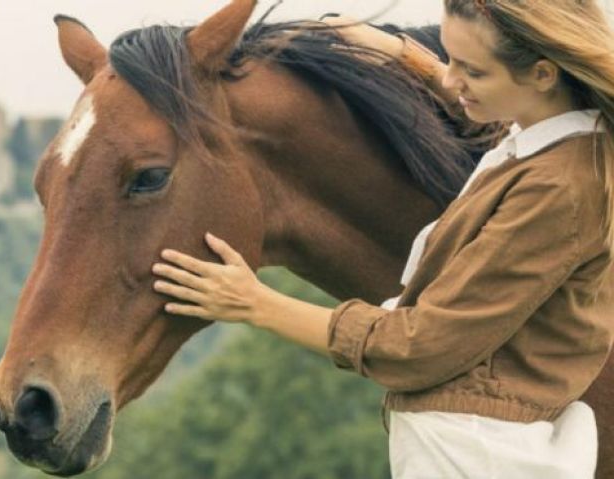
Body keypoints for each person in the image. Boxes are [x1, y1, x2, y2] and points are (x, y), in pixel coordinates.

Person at [152, 1, 614, 477]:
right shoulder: (549, 139)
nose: (453, 81)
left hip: (476, 459)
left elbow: (424, 347)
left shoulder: (560, 188)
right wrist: (394, 51)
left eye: (472, 70)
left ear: (542, 74)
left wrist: (255, 304)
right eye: (450, 59)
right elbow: (497, 120)